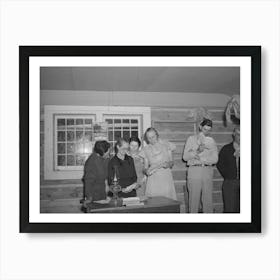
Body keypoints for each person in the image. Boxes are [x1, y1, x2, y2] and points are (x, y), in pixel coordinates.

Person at [183, 118, 218, 213]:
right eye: (205, 129)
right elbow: (185, 157)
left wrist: (202, 159)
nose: (207, 132)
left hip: (207, 171)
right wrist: (198, 150)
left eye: (209, 130)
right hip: (194, 171)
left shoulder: (211, 141)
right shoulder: (191, 139)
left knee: (208, 201)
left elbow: (215, 159)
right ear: (200, 127)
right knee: (193, 201)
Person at [139, 127, 177, 200]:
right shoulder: (146, 149)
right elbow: (145, 168)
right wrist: (146, 171)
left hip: (165, 177)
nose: (151, 139)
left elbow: (172, 162)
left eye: (153, 137)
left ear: (157, 135)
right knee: (154, 202)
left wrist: (168, 164)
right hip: (153, 179)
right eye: (149, 138)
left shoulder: (166, 144)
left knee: (167, 201)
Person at [216, 127, 240, 213]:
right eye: (238, 135)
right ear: (234, 135)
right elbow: (220, 164)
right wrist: (228, 176)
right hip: (230, 182)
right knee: (230, 209)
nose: (240, 137)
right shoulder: (226, 149)